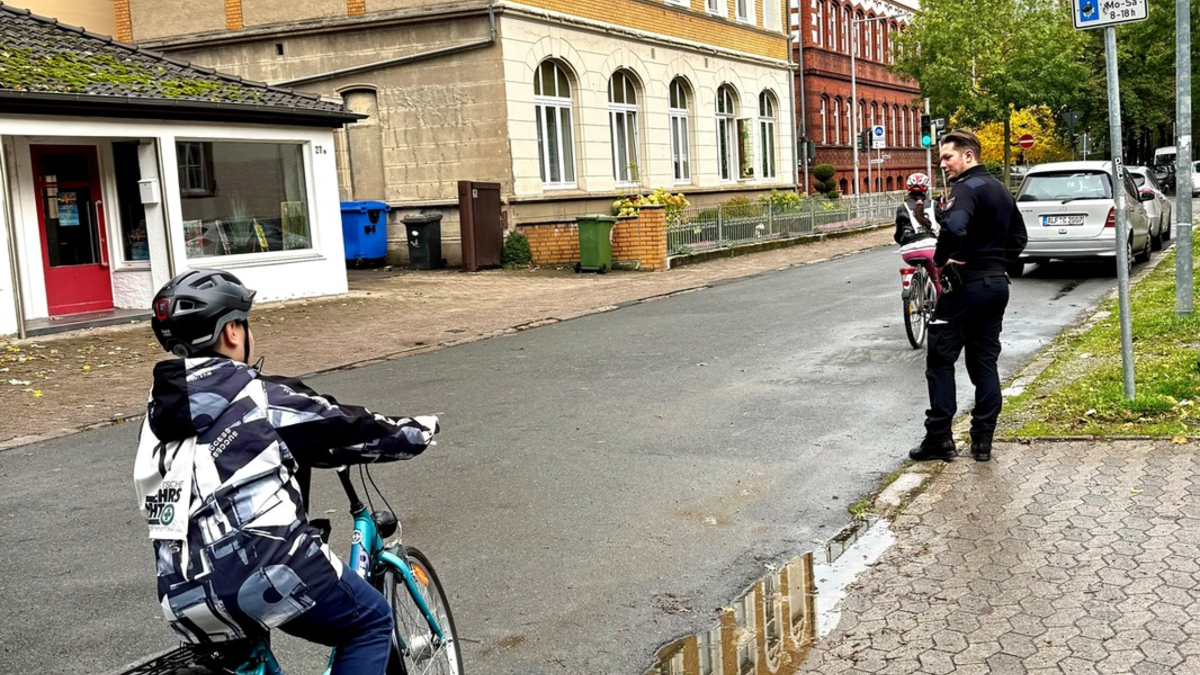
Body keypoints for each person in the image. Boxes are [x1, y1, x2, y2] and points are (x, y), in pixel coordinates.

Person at [134, 269, 440, 675]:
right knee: (369, 622)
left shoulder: (155, 421)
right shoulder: (258, 396)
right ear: (231, 332)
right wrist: (417, 431)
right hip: (268, 572)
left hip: (183, 594)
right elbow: (347, 428)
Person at [909, 130, 1027, 463]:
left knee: (940, 359)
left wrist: (943, 258)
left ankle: (939, 439)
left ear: (968, 156)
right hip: (996, 286)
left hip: (964, 287)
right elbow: (1020, 237)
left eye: (947, 157)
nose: (942, 164)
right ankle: (983, 441)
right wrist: (996, 263)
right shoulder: (1001, 190)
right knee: (984, 362)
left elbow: (955, 228)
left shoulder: (966, 189)